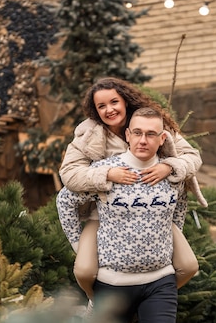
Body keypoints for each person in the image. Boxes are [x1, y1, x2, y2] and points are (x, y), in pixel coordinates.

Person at [59, 77, 207, 306]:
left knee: (188, 266)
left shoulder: (152, 126)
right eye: (102, 106)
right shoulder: (88, 136)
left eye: (114, 102)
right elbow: (69, 174)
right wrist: (106, 174)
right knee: (85, 271)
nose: (109, 110)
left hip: (152, 214)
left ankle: (147, 299)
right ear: (95, 110)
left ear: (125, 101)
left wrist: (169, 166)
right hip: (105, 214)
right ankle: (96, 303)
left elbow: (192, 157)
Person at [57, 107, 185, 323]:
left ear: (162, 139)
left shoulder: (171, 173)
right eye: (137, 132)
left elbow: (179, 206)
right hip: (112, 284)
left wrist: (170, 241)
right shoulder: (105, 171)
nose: (143, 140)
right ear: (127, 134)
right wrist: (79, 245)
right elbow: (65, 202)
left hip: (159, 281)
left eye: (151, 134)